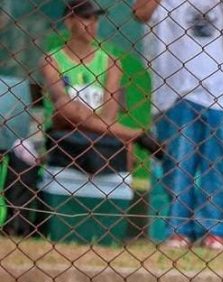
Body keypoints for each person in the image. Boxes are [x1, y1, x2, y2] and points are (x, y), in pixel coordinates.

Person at [134, 0, 223, 251]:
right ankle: (179, 229)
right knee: (178, 163)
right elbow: (141, 13)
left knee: (220, 165)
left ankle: (215, 230)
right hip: (178, 93)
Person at [41, 0, 158, 174]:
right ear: (69, 21)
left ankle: (130, 141)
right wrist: (82, 115)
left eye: (96, 19)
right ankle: (136, 135)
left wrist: (83, 117)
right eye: (86, 18)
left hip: (101, 130)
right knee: (65, 106)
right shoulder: (52, 60)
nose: (93, 24)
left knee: (123, 145)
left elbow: (109, 115)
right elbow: (60, 99)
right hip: (65, 127)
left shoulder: (111, 62)